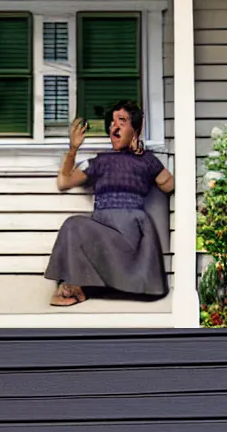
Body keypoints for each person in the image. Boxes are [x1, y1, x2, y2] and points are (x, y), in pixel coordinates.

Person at [45, 101, 175, 306]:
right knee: (73, 225)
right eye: (112, 122)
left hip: (131, 235)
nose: (114, 126)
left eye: (122, 121)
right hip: (104, 230)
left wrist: (142, 155)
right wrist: (73, 149)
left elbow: (169, 185)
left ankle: (76, 287)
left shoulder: (147, 161)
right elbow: (64, 182)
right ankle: (75, 286)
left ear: (136, 129)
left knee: (75, 225)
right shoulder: (100, 161)